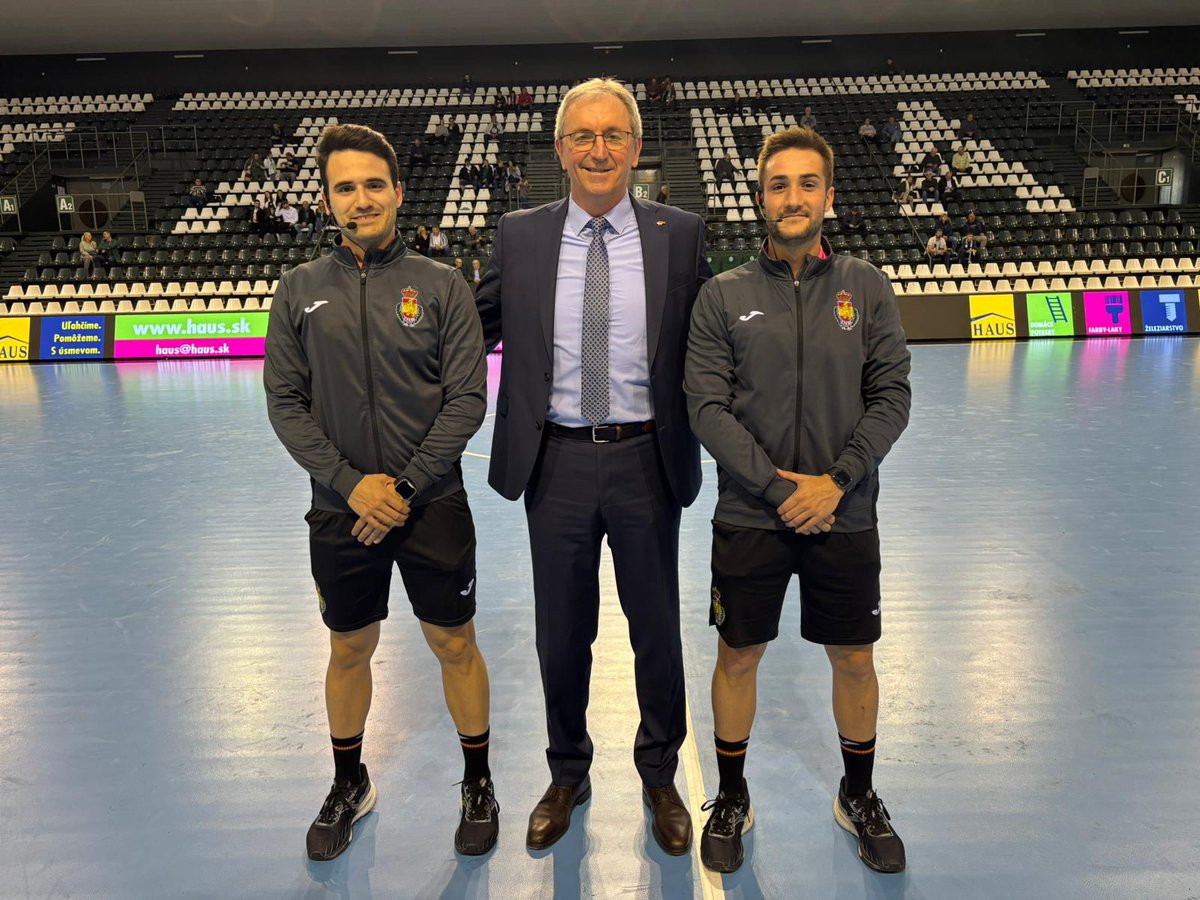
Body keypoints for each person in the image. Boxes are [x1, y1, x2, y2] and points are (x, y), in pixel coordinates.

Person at [475, 77, 711, 857]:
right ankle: (566, 771)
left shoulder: (681, 233)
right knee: (560, 634)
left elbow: (713, 342)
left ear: (637, 149)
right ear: (560, 150)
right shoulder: (520, 234)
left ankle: (658, 774)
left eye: (614, 135)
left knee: (656, 632)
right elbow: (467, 327)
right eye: (583, 135)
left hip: (648, 457)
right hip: (560, 463)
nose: (599, 149)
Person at [263, 122, 497, 863]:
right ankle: (347, 781)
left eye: (372, 185)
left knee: (455, 643)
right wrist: (350, 484)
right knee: (348, 647)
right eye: (344, 188)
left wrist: (398, 486)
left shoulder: (441, 284)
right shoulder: (298, 291)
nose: (359, 200)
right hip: (340, 512)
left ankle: (479, 780)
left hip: (430, 506)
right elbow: (285, 403)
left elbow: (467, 399)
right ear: (326, 198)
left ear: (398, 191)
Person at [684, 125, 911, 876]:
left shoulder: (867, 286)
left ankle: (859, 793)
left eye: (807, 183)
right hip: (753, 515)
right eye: (778, 184)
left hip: (845, 513)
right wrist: (783, 489)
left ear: (829, 197)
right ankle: (735, 793)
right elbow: (707, 409)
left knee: (853, 655)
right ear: (759, 198)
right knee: (738, 653)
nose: (793, 197)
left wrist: (836, 481)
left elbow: (891, 397)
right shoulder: (722, 296)